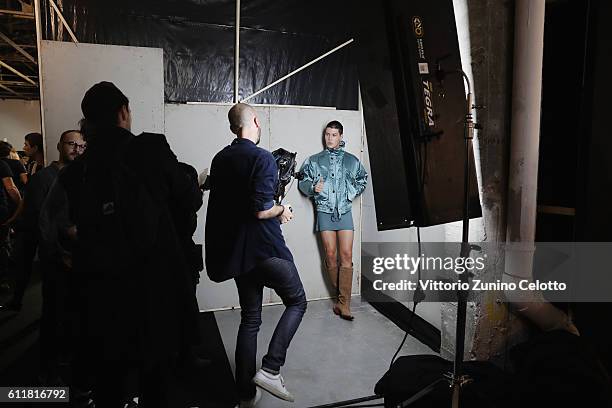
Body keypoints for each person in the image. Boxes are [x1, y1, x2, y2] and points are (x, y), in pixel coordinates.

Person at [59, 81, 199, 407]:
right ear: (123, 112)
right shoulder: (150, 148)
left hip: (100, 289)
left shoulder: (76, 171)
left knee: (110, 378)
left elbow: (60, 225)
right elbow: (189, 198)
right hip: (152, 287)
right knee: (156, 377)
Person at [206, 103, 307, 407]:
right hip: (264, 250)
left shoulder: (220, 158)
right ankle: (271, 369)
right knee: (298, 301)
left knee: (250, 320)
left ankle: (245, 394)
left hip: (238, 255)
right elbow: (262, 209)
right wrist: (283, 210)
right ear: (254, 121)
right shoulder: (262, 157)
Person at [0, 131, 84, 313]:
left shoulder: (82, 176)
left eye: (81, 146)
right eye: (71, 144)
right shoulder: (44, 177)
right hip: (53, 250)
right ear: (59, 146)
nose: (77, 150)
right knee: (53, 299)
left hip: (72, 249)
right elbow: (40, 219)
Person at [298, 121, 367, 320]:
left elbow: (363, 179)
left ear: (341, 136)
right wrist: (312, 188)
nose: (330, 138)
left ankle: (344, 304)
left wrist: (349, 194)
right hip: (324, 211)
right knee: (330, 254)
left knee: (346, 253)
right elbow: (302, 181)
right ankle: (340, 296)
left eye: (334, 135)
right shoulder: (314, 160)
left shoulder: (352, 161)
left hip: (344, 211)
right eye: (327, 134)